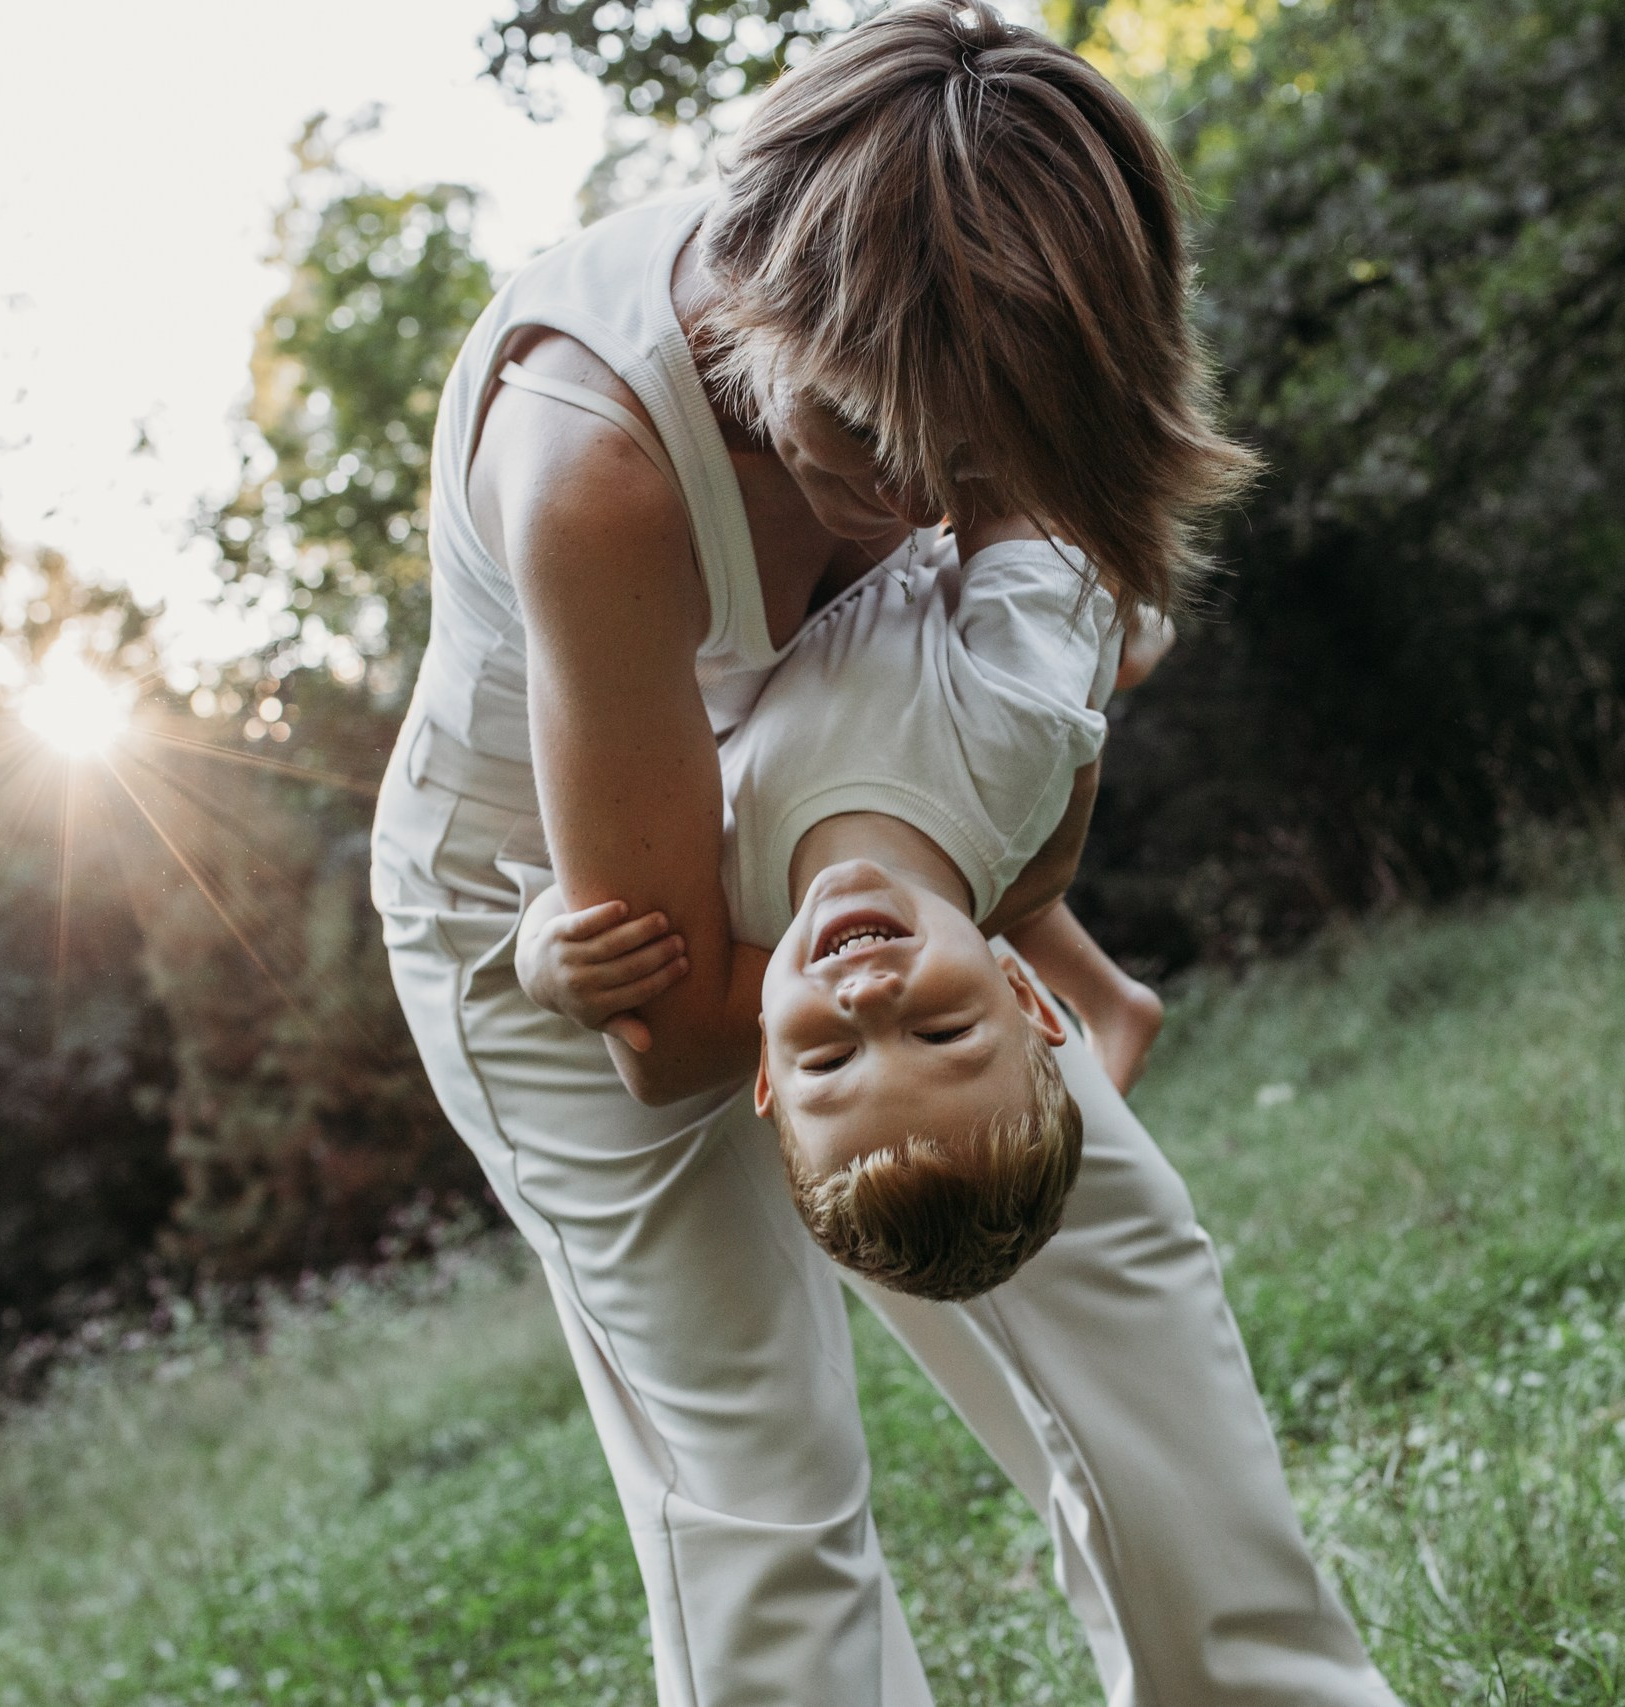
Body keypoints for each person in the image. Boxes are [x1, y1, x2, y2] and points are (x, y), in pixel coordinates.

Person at [370, 3, 1401, 1699]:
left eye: (975, 461)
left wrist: (1000, 951)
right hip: (571, 930)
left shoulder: (982, 331)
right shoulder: (596, 471)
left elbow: (1058, 696)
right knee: (755, 1462)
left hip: (859, 851)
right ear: (756, 301)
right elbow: (675, 1029)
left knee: (1118, 1278)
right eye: (871, 442)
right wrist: (960, 955)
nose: (927, 504)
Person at [518, 527, 1124, 1302]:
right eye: (942, 1032)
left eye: (832, 1060)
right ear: (1023, 993)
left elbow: (574, 894)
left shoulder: (720, 913)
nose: (867, 997)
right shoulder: (1011, 738)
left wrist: (544, 962)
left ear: (766, 1067)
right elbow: (1036, 519)